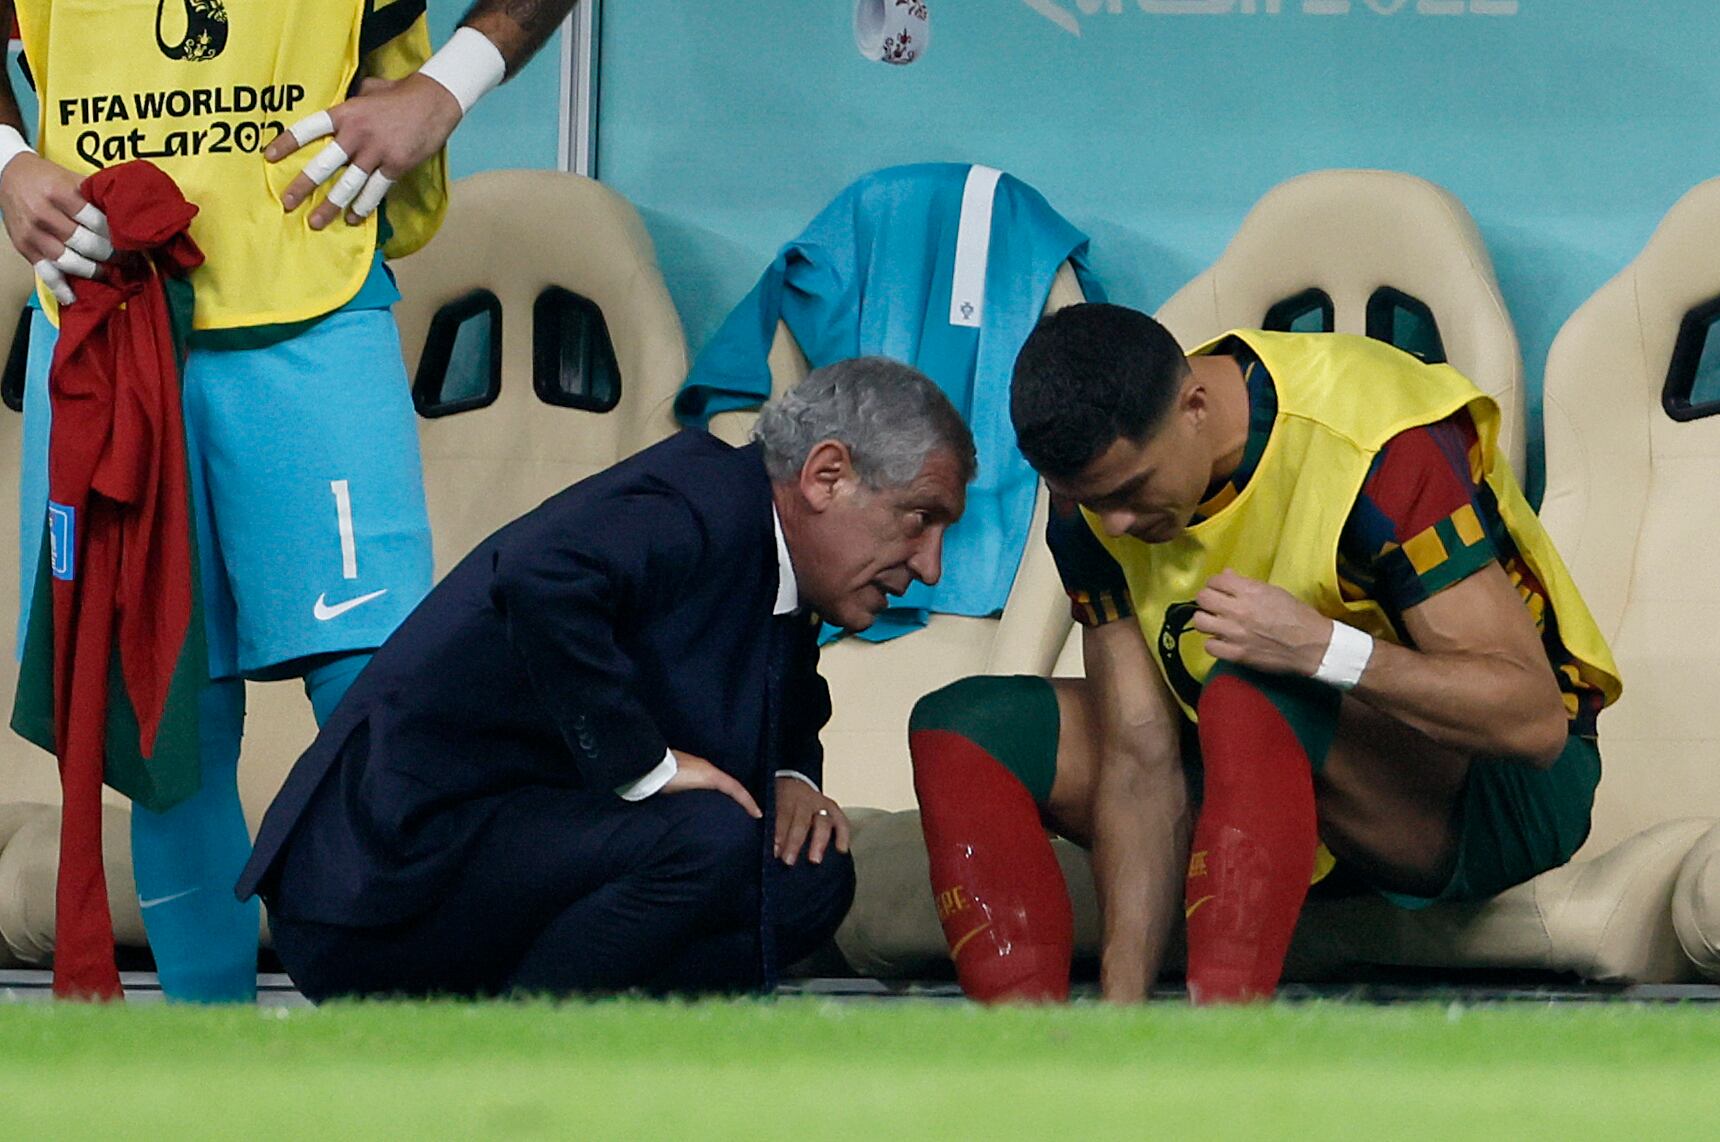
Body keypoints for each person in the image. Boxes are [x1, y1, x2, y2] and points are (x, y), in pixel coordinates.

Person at [0, 0, 579, 1001]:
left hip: (311, 301)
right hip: (104, 308)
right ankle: (214, 1064)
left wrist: (448, 85)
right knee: (167, 724)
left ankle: (400, 1056)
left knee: (384, 711)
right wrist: (7, 158)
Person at [909, 303, 1621, 1004]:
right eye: (1093, 502)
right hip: (1250, 773)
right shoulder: (1092, 495)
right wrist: (1122, 1012)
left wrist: (1326, 649)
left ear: (1194, 406)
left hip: (1498, 792)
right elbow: (1138, 756)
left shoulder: (1381, 442)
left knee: (1254, 684)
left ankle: (1225, 1048)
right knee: (967, 730)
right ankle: (1034, 1056)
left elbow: (1531, 724)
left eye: (1130, 491)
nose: (1116, 523)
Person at [236, 359, 974, 1000]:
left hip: (500, 861)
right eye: (920, 519)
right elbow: (542, 578)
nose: (931, 566)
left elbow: (784, 678)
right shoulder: (695, 503)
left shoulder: (776, 557)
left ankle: (633, 1069)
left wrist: (790, 776)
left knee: (804, 874)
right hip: (381, 884)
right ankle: (516, 1074)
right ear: (826, 475)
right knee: (711, 839)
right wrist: (645, 764)